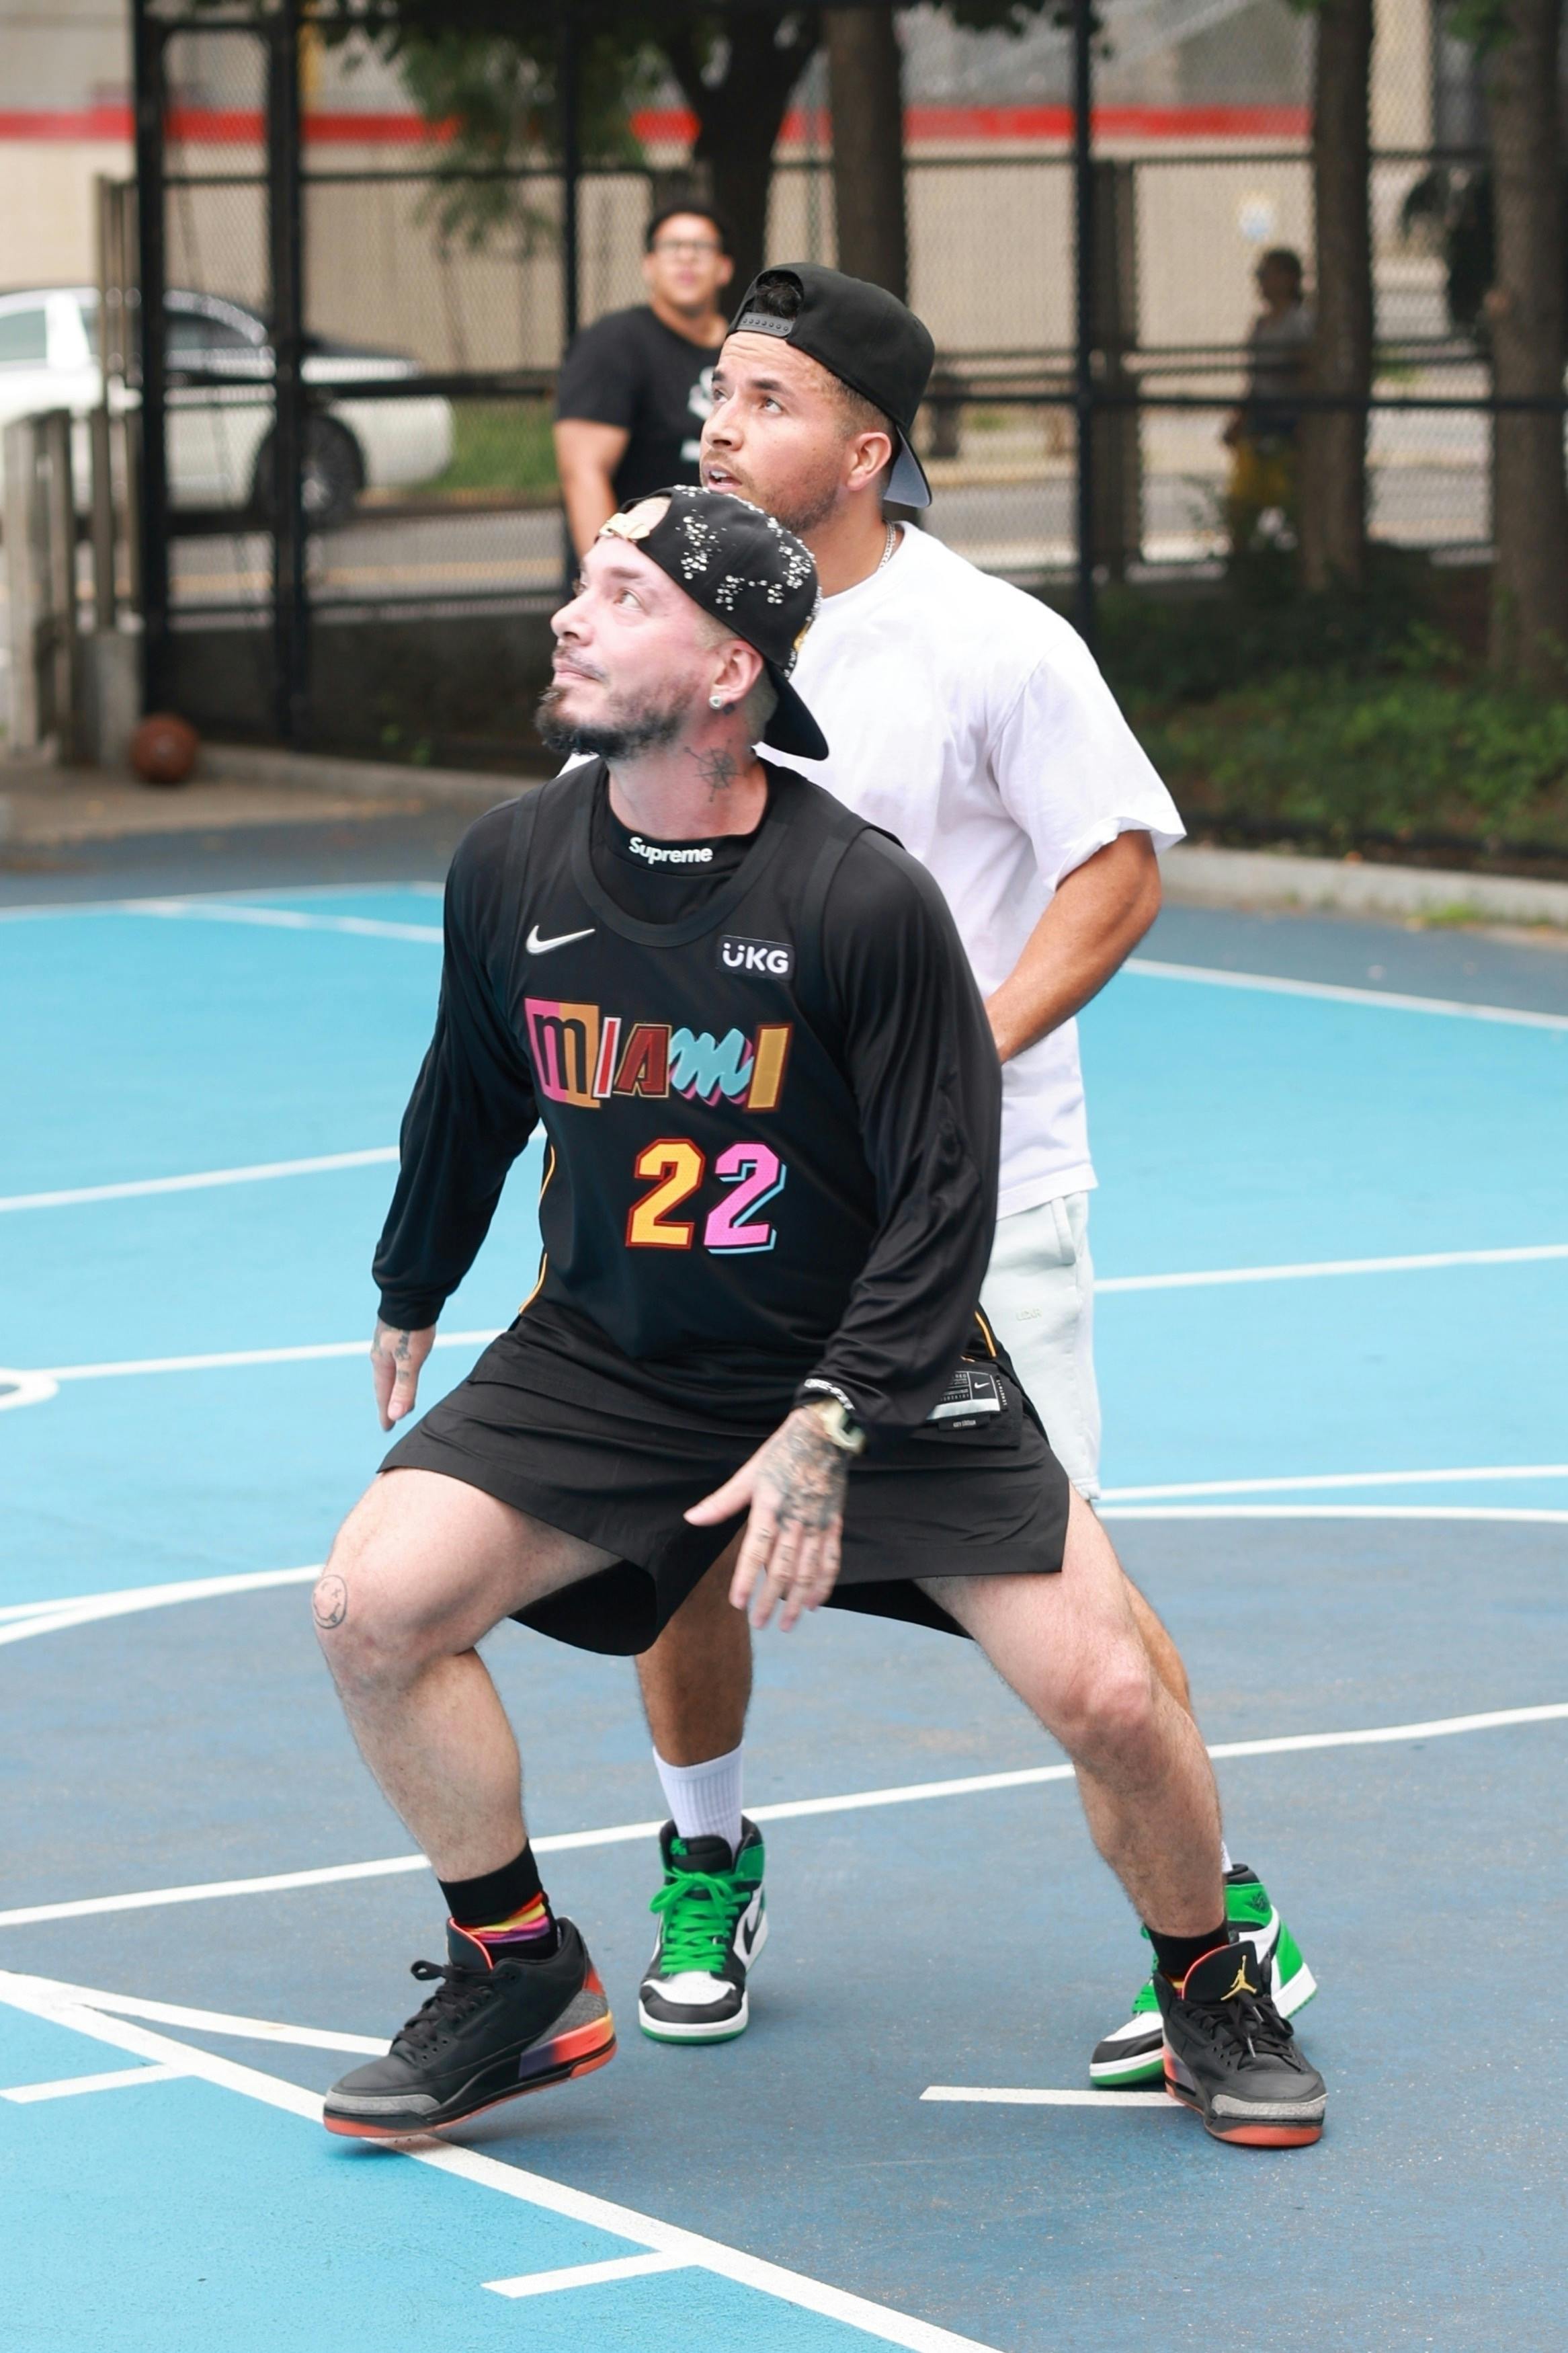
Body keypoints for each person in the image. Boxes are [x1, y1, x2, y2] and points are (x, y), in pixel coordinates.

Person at [316, 485, 1326, 2152]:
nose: (573, 614)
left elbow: (945, 1186)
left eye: (623, 595)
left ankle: (1209, 1979)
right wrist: (413, 1278)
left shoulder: (858, 896)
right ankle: (516, 1973)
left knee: (1112, 1700)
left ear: (727, 670)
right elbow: (472, 1089)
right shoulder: (510, 863)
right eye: (584, 584)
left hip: (872, 1365)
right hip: (613, 1351)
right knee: (370, 1609)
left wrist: (840, 1407)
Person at [623, 264, 1318, 2089]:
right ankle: (705, 1853)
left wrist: (955, 1053)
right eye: (714, 391)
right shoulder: (671, 622)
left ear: (863, 448)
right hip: (738, 1197)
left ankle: (1223, 1932)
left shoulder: (992, 643)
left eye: (760, 398)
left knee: (1065, 1598)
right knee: (674, 1534)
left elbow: (1112, 872)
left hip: (982, 1204)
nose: (717, 420)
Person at [553, 200, 734, 555]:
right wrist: (613, 576)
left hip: (727, 566)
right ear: (648, 266)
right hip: (646, 575)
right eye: (671, 247)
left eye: (701, 247)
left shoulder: (743, 350)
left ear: (724, 268)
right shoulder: (612, 344)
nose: (686, 258)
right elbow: (584, 473)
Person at [1222, 247, 1313, 558]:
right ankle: (1243, 565)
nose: (1260, 282)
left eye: (1266, 274)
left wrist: (1305, 421)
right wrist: (1239, 417)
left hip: (1289, 423)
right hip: (1260, 422)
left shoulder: (1300, 322)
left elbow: (1307, 374)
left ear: (1289, 279)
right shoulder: (1261, 325)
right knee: (1241, 502)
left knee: (1293, 501)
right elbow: (1254, 381)